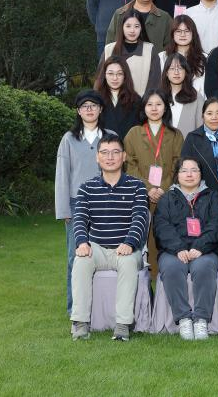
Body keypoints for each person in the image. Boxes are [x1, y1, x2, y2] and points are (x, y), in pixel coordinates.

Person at [68, 134, 148, 341]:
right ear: (97, 157)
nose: (110, 157)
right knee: (81, 261)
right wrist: (82, 243)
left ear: (124, 156)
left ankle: (122, 325)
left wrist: (129, 243)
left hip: (126, 249)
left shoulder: (137, 186)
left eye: (115, 152)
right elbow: (80, 219)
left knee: (128, 263)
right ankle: (80, 322)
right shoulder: (86, 188)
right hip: (98, 249)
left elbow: (140, 218)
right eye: (104, 152)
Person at [153, 155, 218, 340]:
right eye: (184, 170)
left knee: (203, 267)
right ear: (177, 175)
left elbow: (217, 224)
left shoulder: (212, 197)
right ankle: (184, 318)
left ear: (201, 174)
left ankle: (201, 319)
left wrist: (200, 247)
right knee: (171, 267)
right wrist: (178, 248)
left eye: (194, 170)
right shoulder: (167, 199)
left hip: (205, 250)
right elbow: (161, 226)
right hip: (173, 251)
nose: (189, 174)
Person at [56, 91, 106, 311]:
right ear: (78, 111)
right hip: (77, 204)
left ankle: (102, 308)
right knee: (75, 256)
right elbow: (62, 175)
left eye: (93, 105)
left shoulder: (110, 136)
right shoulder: (69, 139)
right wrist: (64, 210)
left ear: (100, 109)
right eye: (84, 106)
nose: (89, 109)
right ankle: (75, 308)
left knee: (104, 255)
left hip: (106, 202)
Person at [123, 90, 183, 276]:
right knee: (143, 236)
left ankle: (165, 277)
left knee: (166, 236)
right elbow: (129, 164)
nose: (154, 108)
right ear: (143, 108)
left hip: (168, 195)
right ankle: (145, 279)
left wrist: (163, 188)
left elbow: (179, 165)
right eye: (149, 104)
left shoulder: (175, 134)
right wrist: (148, 188)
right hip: (141, 196)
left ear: (165, 107)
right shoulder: (134, 133)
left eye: (158, 104)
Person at [180, 98, 218, 208]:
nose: (214, 117)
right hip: (203, 201)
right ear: (203, 116)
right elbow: (183, 171)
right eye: (209, 113)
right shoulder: (193, 139)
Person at [105, 0, 172, 51]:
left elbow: (170, 46)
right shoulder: (120, 14)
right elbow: (110, 42)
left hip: (154, 58)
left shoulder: (164, 17)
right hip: (123, 58)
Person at [103, 10, 161, 96]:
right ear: (122, 27)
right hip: (112, 101)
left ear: (141, 28)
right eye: (128, 26)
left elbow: (155, 82)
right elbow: (100, 80)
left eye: (136, 26)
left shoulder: (149, 49)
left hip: (141, 102)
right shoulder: (109, 49)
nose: (132, 30)